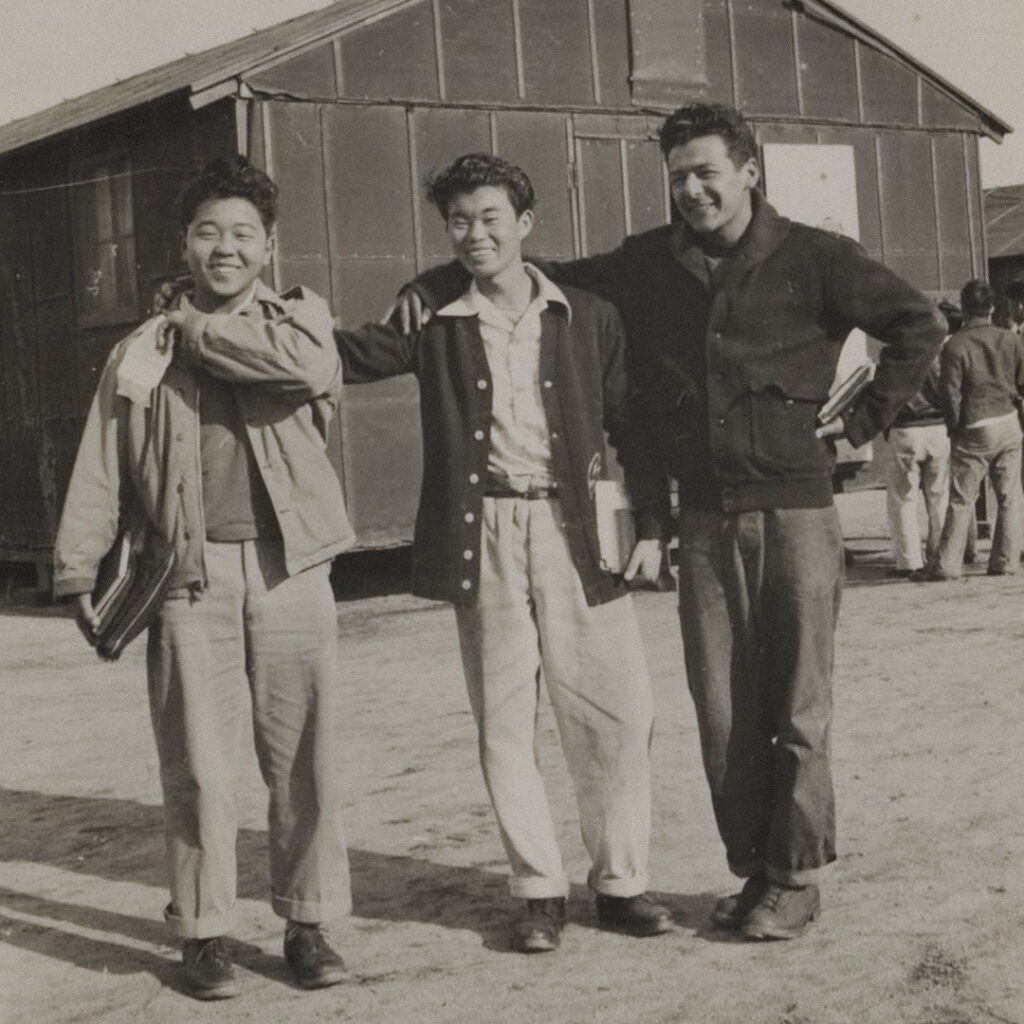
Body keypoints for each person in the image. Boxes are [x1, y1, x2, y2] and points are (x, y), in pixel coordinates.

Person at [399, 104, 945, 940]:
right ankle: (755, 869)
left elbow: (919, 324)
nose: (691, 191)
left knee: (798, 703)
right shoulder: (651, 264)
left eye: (706, 173)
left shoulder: (818, 257)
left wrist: (863, 421)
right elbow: (547, 270)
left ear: (749, 171)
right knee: (723, 709)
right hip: (703, 519)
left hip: (796, 508)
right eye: (678, 177)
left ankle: (796, 876)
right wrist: (444, 278)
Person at [334, 153, 673, 953]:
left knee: (618, 712)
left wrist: (653, 521)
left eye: (490, 218)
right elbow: (353, 356)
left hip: (581, 527)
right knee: (503, 716)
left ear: (524, 224)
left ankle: (622, 883)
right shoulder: (433, 315)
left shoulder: (588, 315)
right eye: (458, 221)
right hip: (482, 529)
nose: (474, 234)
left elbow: (633, 422)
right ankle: (538, 891)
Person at [54, 157, 355, 998]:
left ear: (269, 246)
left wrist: (191, 330)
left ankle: (308, 923)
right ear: (184, 243)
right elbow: (103, 462)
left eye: (244, 234)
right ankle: (205, 934)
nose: (226, 248)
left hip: (291, 567)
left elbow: (304, 371)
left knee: (305, 760)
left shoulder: (301, 322)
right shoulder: (137, 352)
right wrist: (80, 564)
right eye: (208, 232)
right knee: (197, 764)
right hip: (186, 575)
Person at [914, 278, 1024, 580]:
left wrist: (955, 428)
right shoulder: (1010, 339)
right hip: (1008, 420)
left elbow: (950, 393)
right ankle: (1006, 561)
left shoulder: (956, 345)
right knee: (1010, 496)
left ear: (964, 308)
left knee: (962, 499)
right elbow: (1021, 382)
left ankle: (947, 564)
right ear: (991, 307)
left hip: (974, 424)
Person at [883, 307, 956, 576]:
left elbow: (885, 393)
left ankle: (908, 561)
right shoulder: (943, 355)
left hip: (904, 430)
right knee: (939, 496)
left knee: (903, 499)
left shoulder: (898, 354)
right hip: (939, 429)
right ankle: (941, 556)